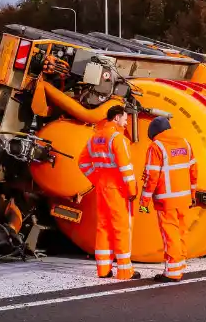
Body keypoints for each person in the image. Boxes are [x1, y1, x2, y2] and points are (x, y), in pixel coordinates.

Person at [77, 104, 140, 280]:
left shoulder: (95, 138)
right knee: (122, 229)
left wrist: (96, 180)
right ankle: (125, 271)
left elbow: (82, 163)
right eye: (125, 119)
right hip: (118, 190)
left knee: (103, 227)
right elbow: (125, 168)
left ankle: (103, 270)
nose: (126, 123)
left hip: (102, 189)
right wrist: (132, 189)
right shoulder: (117, 139)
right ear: (117, 118)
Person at [137, 116, 198, 283]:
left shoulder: (156, 146)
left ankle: (172, 272)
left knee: (170, 235)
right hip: (184, 199)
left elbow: (152, 176)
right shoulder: (185, 143)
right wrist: (192, 195)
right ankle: (179, 266)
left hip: (166, 201)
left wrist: (144, 202)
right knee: (181, 233)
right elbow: (193, 171)